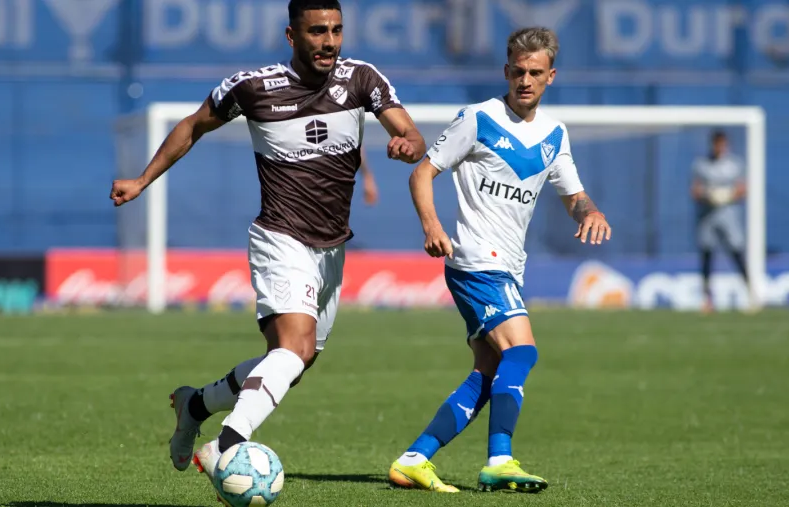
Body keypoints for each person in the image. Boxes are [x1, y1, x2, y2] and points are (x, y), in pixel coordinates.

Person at [109, 0, 425, 486]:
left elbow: (410, 132)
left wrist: (408, 144)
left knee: (295, 360)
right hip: (281, 236)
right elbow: (193, 125)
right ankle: (227, 445)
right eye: (317, 31)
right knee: (293, 347)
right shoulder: (254, 87)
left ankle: (195, 405)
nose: (329, 42)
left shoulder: (361, 78)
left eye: (336, 30)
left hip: (332, 247)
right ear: (292, 35)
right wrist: (142, 179)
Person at [388, 27, 611, 494]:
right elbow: (422, 173)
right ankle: (500, 459)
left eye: (535, 73)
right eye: (518, 72)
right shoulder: (478, 118)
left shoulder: (554, 134)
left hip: (508, 265)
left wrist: (590, 211)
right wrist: (432, 226)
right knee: (522, 351)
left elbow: (574, 196)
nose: (525, 81)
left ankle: (414, 459)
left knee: (488, 374)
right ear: (506, 71)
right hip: (475, 259)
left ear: (551, 76)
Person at [690, 130, 749, 312]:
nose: (720, 147)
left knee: (736, 252)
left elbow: (742, 189)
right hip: (707, 215)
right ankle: (707, 299)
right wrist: (709, 195)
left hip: (728, 215)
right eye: (717, 144)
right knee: (707, 254)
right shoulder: (701, 165)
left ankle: (750, 292)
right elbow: (695, 190)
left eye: (723, 144)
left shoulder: (735, 164)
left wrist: (727, 195)